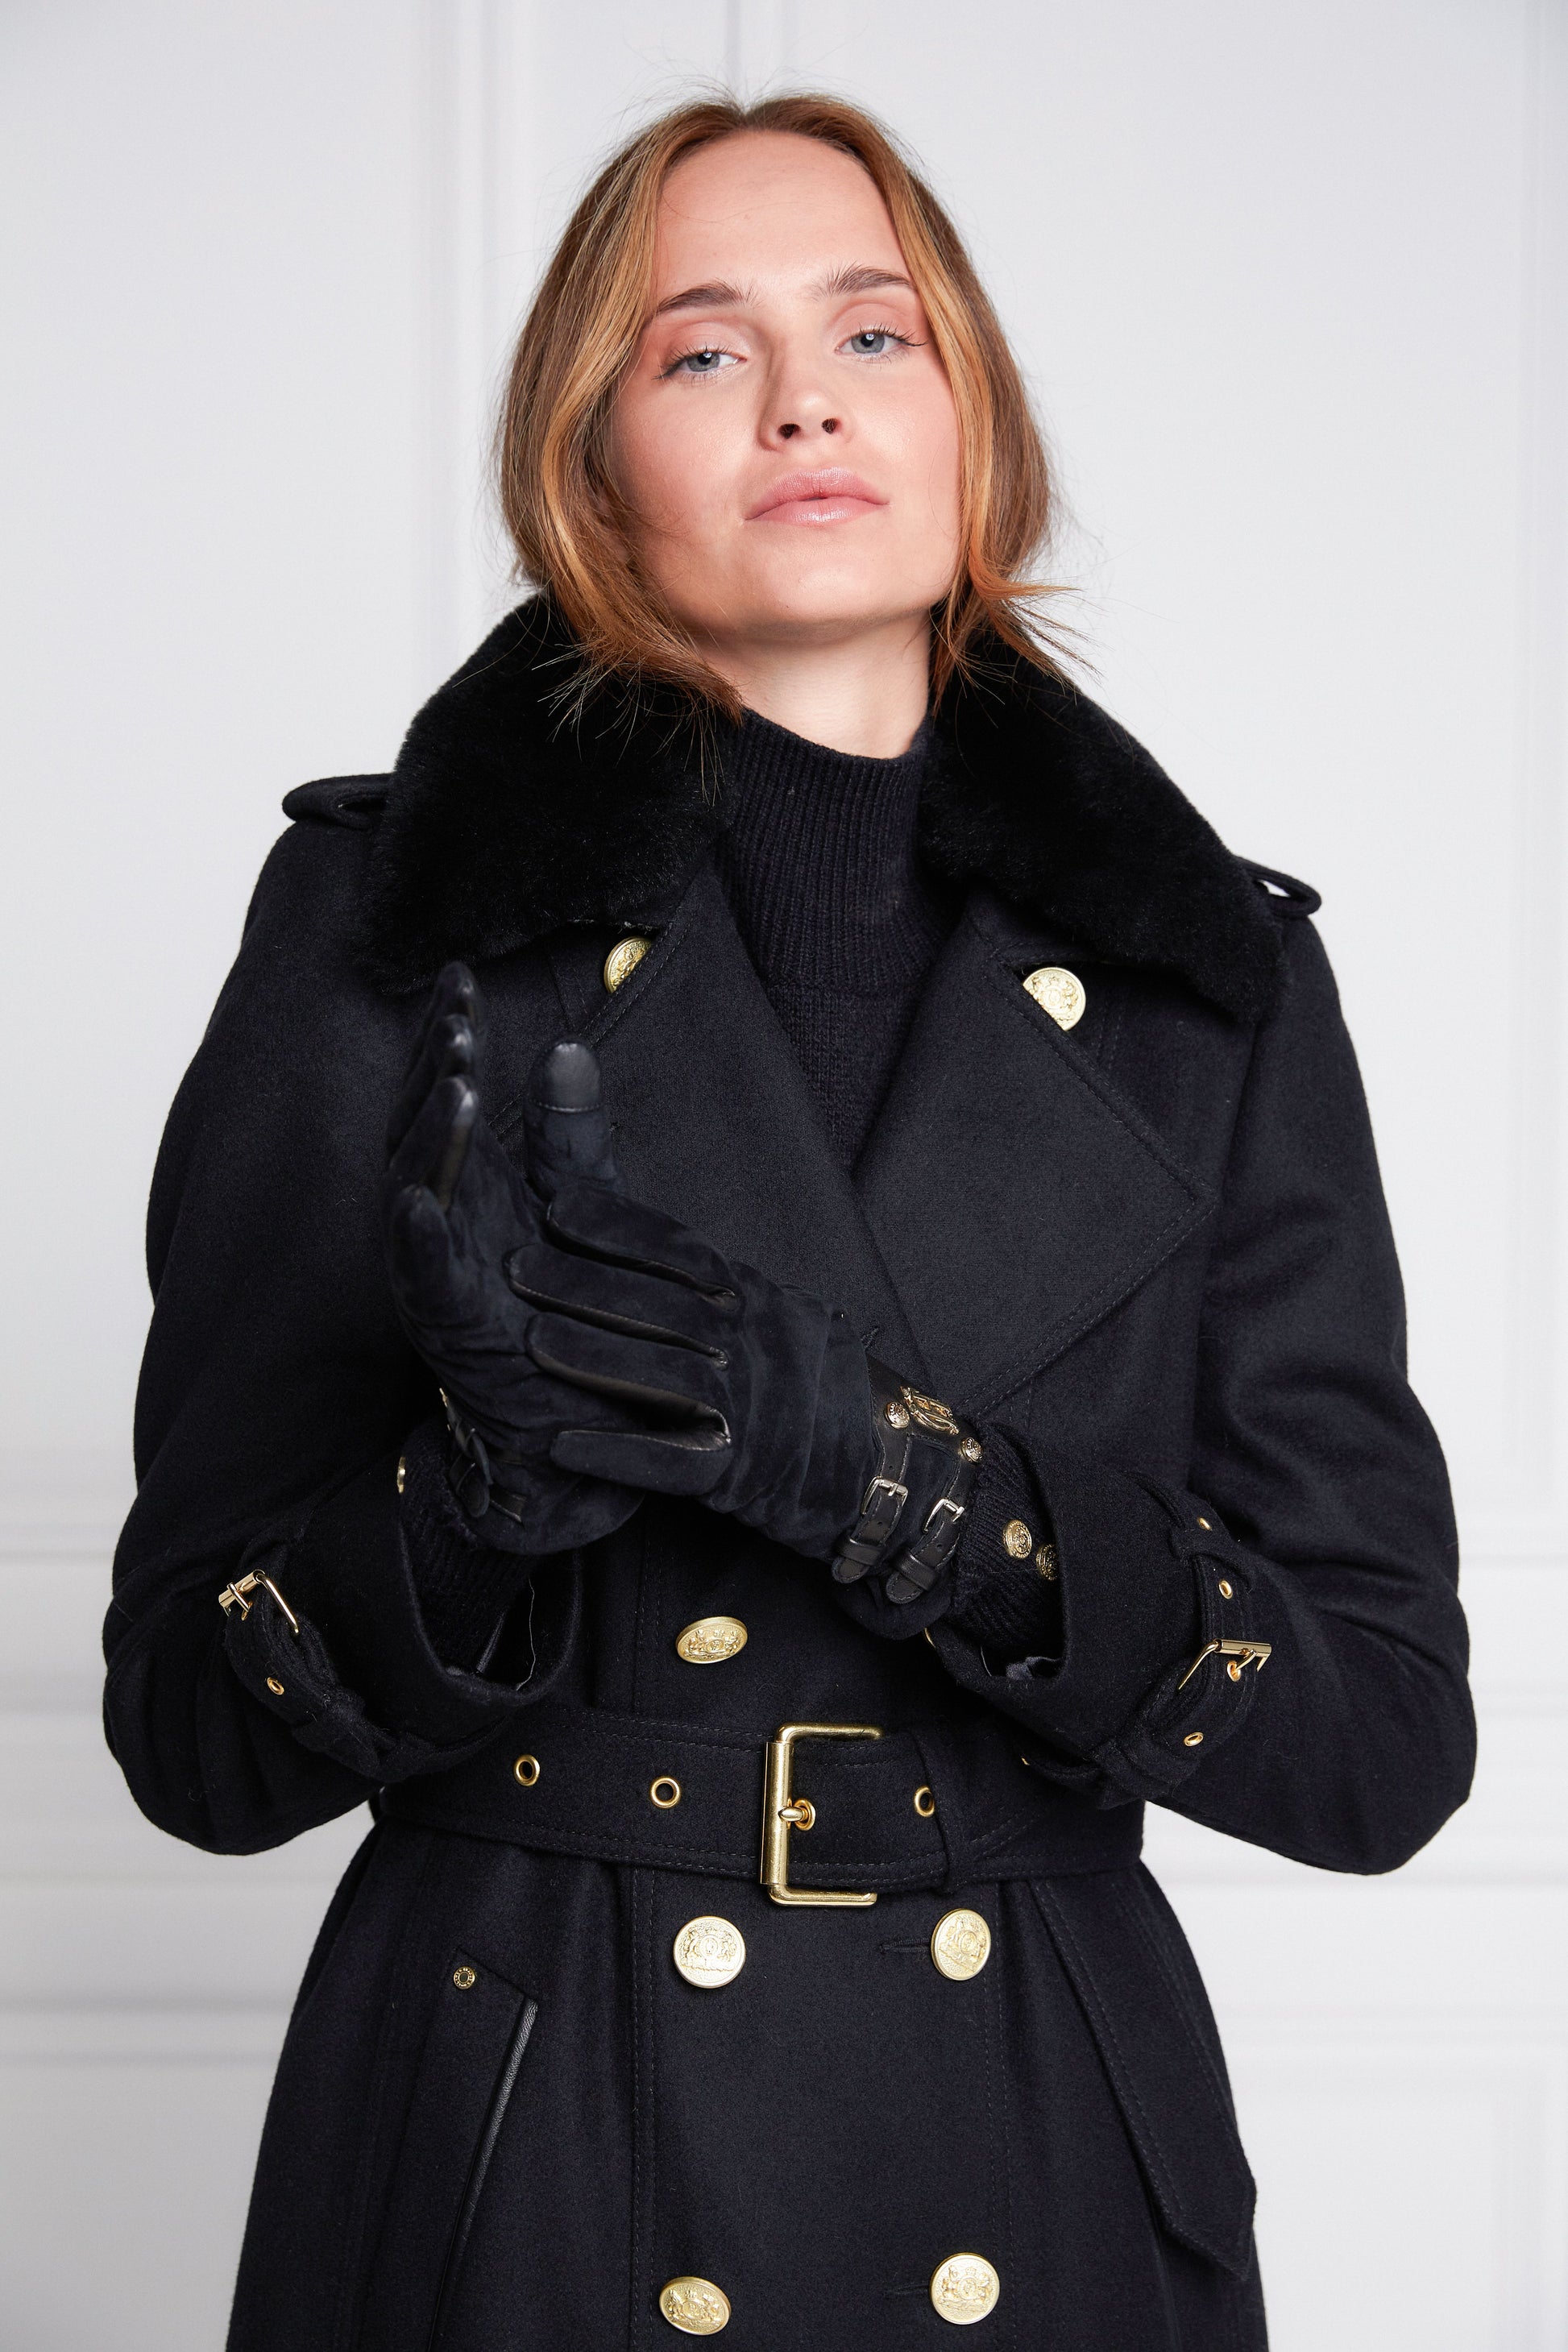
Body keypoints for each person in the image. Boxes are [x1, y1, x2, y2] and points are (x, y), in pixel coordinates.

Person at [104, 92, 1475, 2350]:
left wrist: (915, 1495)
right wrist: (472, 1510)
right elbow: (190, 1742)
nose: (805, 399)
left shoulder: (1207, 984)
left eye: (873, 331)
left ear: (971, 415)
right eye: (703, 350)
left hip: (1030, 2130)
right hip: (537, 2137)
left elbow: (1381, 1748)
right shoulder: (391, 930)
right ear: (593, 463)